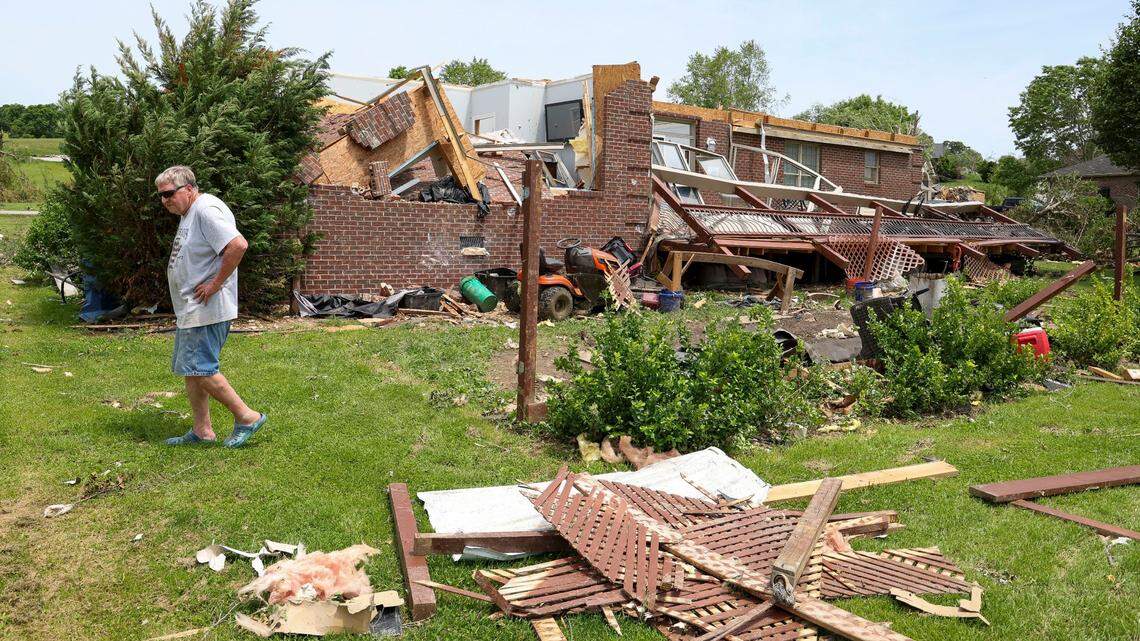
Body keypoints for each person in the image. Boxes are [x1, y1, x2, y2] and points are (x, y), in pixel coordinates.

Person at [156, 165, 266, 447]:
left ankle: (246, 416)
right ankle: (202, 430)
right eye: (161, 196)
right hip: (192, 309)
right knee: (192, 370)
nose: (165, 200)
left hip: (206, 308)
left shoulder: (205, 210)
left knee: (201, 368)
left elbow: (238, 245)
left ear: (189, 188)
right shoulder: (191, 212)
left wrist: (214, 284)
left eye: (169, 193)